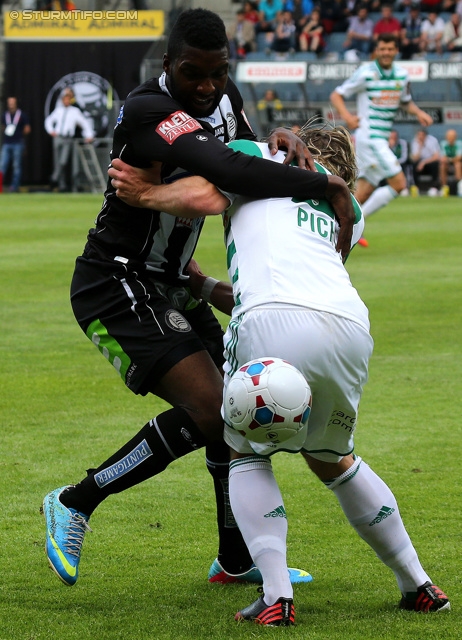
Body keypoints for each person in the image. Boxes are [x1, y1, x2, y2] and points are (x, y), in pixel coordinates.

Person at [42, 8, 355, 591]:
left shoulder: (222, 96)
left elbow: (234, 159)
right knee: (214, 409)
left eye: (218, 73)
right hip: (116, 283)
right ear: (168, 65)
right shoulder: (147, 110)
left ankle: (235, 559)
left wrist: (271, 141)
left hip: (176, 281)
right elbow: (220, 171)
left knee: (234, 416)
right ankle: (75, 501)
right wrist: (325, 183)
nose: (208, 86)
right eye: (194, 74)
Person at [108, 121, 450, 625]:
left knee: (242, 448)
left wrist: (146, 193)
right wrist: (204, 288)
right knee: (335, 458)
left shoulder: (252, 153)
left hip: (268, 318)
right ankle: (417, 582)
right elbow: (303, 284)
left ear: (296, 144)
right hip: (348, 325)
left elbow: (205, 193)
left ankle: (276, 595)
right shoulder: (348, 209)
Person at [330, 33, 433, 246]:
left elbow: (405, 102)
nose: (386, 53)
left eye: (390, 49)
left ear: (396, 51)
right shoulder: (366, 73)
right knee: (398, 183)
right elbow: (336, 95)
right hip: (370, 137)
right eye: (382, 49)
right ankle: (355, 227)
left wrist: (419, 113)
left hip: (382, 139)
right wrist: (348, 117)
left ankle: (336, 227)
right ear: (377, 50)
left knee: (364, 189)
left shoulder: (402, 76)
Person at [44, 88, 94, 192]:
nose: (66, 101)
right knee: (57, 162)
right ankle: (61, 185)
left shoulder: (75, 111)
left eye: (68, 99)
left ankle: (54, 179)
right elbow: (49, 121)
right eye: (64, 99)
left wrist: (89, 134)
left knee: (63, 161)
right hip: (58, 138)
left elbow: (84, 123)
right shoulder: (58, 110)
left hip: (67, 138)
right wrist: (51, 130)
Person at [0, 96, 31, 192]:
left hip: (18, 142)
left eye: (12, 102)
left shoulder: (21, 115)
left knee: (16, 166)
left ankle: (14, 187)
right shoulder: (4, 115)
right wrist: (7, 131)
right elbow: (2, 126)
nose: (11, 104)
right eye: (9, 102)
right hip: (7, 142)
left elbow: (27, 128)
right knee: (2, 165)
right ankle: (0, 186)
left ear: (16, 103)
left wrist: (19, 134)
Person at [410, 128, 441, 195]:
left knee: (435, 164)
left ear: (426, 136)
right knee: (414, 164)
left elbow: (436, 156)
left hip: (430, 162)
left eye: (422, 135)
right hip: (420, 165)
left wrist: (423, 162)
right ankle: (416, 187)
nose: (420, 137)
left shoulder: (432, 141)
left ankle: (434, 188)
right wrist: (420, 147)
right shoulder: (415, 141)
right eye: (419, 135)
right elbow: (415, 158)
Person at [439, 128, 462, 195]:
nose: (450, 139)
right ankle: (444, 187)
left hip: (457, 163)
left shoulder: (459, 143)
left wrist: (449, 159)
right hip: (447, 163)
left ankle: (459, 186)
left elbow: (459, 157)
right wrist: (450, 160)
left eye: (452, 137)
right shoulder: (443, 143)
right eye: (449, 137)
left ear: (455, 137)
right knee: (442, 166)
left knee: (457, 164)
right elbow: (443, 158)